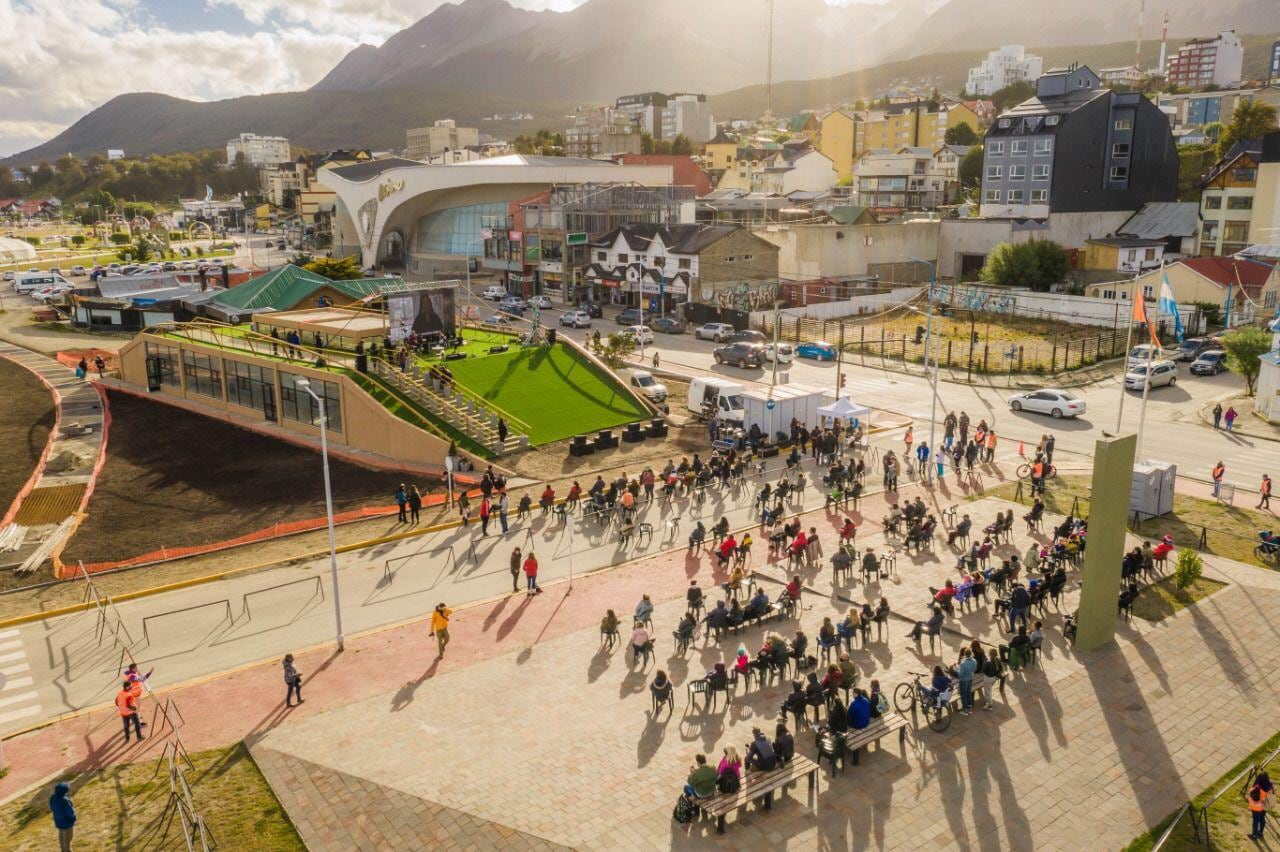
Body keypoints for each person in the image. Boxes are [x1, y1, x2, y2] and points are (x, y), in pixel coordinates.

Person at [49, 781, 76, 852]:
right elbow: (70, 812)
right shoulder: (65, 800)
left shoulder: (52, 798)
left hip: (58, 821)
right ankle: (67, 850)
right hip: (67, 822)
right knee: (68, 839)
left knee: (61, 836)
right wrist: (73, 818)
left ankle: (62, 849)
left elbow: (52, 808)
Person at [1249, 772, 1273, 839]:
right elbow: (1270, 796)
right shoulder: (1270, 786)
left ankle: (1254, 834)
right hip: (1265, 806)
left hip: (1256, 807)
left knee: (1256, 821)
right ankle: (1260, 832)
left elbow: (1252, 794)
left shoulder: (1257, 787)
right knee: (1262, 818)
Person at [955, 647, 977, 715]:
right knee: (968, 692)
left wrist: (957, 670)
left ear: (964, 654)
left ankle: (965, 710)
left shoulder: (963, 663)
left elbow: (960, 674)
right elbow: (974, 669)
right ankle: (969, 707)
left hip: (963, 680)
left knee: (963, 694)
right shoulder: (974, 661)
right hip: (970, 678)